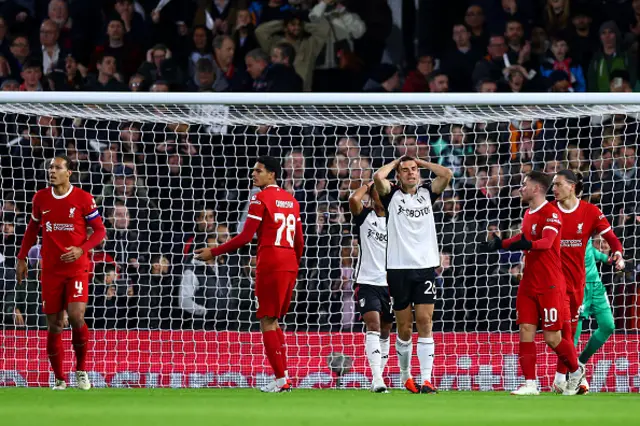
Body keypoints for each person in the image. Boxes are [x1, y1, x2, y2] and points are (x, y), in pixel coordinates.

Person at [194, 156, 303, 393]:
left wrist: (213, 251)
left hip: (271, 262)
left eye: (258, 171)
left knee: (266, 319)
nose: (253, 174)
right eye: (253, 171)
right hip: (290, 263)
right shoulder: (291, 201)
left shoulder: (260, 198)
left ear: (272, 174)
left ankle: (280, 378)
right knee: (274, 320)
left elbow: (244, 238)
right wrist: (292, 262)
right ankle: (283, 376)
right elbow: (299, 241)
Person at [478, 171, 585, 395]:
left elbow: (545, 242)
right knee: (525, 330)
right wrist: (501, 244)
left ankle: (576, 371)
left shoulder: (552, 213)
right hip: (528, 283)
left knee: (552, 338)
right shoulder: (528, 213)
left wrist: (522, 244)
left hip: (550, 284)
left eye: (524, 185)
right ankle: (530, 384)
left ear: (536, 189)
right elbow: (523, 237)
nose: (521, 188)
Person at [15, 156, 107, 390]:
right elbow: (32, 228)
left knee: (76, 316)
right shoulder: (41, 198)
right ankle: (59, 378)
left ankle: (81, 370)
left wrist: (81, 249)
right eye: (50, 168)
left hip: (76, 269)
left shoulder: (83, 199)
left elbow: (99, 231)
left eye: (57, 168)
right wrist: (22, 257)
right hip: (51, 271)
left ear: (69, 173)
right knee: (55, 324)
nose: (52, 171)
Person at [373, 156, 453, 394]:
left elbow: (447, 174)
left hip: (425, 267)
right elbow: (378, 177)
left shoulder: (428, 193)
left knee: (426, 322)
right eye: (405, 171)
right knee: (405, 328)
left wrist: (421, 161)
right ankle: (406, 375)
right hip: (398, 269)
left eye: (414, 170)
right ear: (398, 175)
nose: (411, 173)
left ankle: (427, 379)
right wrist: (397, 161)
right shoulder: (391, 195)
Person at [550, 170, 624, 394]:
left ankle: (577, 366)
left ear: (571, 186)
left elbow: (611, 239)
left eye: (558, 184)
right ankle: (561, 379)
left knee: (608, 325)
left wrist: (618, 254)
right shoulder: (549, 210)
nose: (554, 189)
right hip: (559, 283)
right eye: (553, 184)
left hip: (587, 284)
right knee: (568, 334)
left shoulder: (590, 212)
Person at [348, 182, 392, 393]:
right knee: (373, 325)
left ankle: (380, 375)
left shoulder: (398, 222)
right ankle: (377, 379)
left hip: (392, 283)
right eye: (377, 191)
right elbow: (353, 200)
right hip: (367, 281)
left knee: (386, 330)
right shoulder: (365, 217)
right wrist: (367, 184)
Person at [573, 238, 616, 381]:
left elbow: (591, 252)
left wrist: (610, 260)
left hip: (596, 287)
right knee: (573, 336)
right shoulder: (565, 231)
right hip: (577, 287)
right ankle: (569, 375)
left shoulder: (587, 233)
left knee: (608, 326)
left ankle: (581, 361)